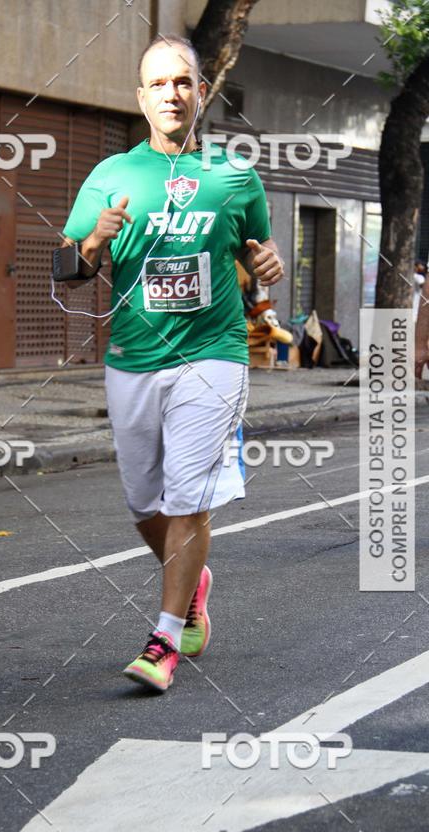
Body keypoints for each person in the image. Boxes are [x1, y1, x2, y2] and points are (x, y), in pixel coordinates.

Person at [60, 34, 284, 691]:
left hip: (213, 355)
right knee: (143, 501)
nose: (172, 94)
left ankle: (164, 638)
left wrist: (267, 265)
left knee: (187, 494)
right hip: (133, 357)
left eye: (183, 82)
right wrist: (93, 241)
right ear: (141, 98)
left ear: (201, 93)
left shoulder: (234, 175)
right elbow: (67, 269)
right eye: (158, 84)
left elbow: (259, 256)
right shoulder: (112, 175)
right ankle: (193, 581)